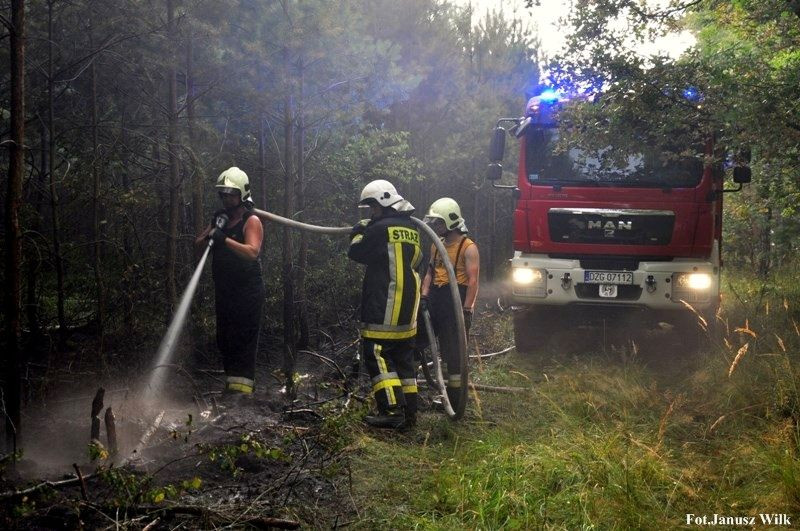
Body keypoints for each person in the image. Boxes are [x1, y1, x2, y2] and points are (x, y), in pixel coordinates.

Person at [348, 180, 422, 429]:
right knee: (404, 358)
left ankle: (391, 410)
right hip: (409, 309)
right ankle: (410, 413)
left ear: (384, 202)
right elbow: (417, 262)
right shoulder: (413, 230)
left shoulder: (380, 230)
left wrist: (359, 230)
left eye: (373, 207)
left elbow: (356, 252)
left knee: (376, 353)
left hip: (385, 303)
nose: (371, 213)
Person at [195, 167, 265, 402]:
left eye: (231, 194)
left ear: (242, 194)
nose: (227, 199)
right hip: (224, 290)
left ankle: (242, 395)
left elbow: (252, 252)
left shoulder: (251, 220)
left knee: (243, 339)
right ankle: (231, 387)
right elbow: (199, 242)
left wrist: (224, 240)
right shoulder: (219, 218)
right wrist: (211, 234)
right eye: (223, 194)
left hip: (247, 292)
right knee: (225, 338)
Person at [420, 197, 479, 410]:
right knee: (418, 340)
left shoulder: (468, 247)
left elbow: (473, 281)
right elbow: (429, 273)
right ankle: (435, 392)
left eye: (439, 223)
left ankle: (455, 400)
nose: (436, 227)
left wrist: (466, 309)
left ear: (451, 221)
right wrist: (424, 297)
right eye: (434, 223)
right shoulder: (437, 246)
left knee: (453, 355)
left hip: (455, 301)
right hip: (436, 298)